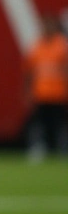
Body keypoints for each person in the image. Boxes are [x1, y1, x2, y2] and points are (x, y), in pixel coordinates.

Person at [24, 13, 68, 161]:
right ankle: (38, 148)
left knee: (60, 124)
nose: (46, 28)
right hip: (40, 92)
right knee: (38, 124)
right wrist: (27, 91)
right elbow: (29, 71)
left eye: (49, 24)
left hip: (58, 92)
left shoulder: (62, 46)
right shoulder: (36, 46)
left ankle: (63, 149)